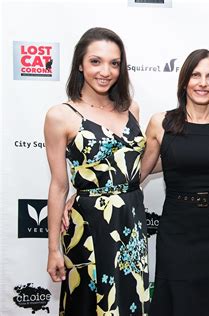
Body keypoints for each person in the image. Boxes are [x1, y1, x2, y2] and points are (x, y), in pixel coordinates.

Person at [44, 27, 149, 315]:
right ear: (80, 63)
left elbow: (131, 166)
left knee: (129, 302)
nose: (106, 71)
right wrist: (54, 248)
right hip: (89, 226)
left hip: (131, 221)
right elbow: (58, 185)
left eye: (114, 63)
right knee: (88, 305)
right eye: (96, 61)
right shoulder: (60, 115)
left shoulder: (132, 110)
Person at [141, 49, 209, 316]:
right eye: (196, 75)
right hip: (177, 231)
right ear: (184, 81)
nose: (203, 83)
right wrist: (83, 192)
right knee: (179, 304)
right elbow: (136, 173)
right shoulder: (162, 123)